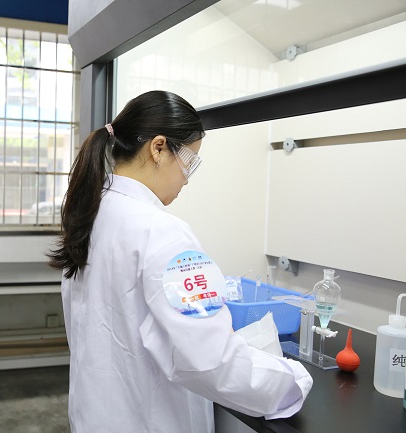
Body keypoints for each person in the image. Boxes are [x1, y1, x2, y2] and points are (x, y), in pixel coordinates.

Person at [48, 90, 313, 433]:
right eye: (189, 161)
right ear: (158, 148)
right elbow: (213, 361)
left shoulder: (92, 213)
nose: (187, 177)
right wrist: (292, 381)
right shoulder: (164, 233)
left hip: (93, 416)